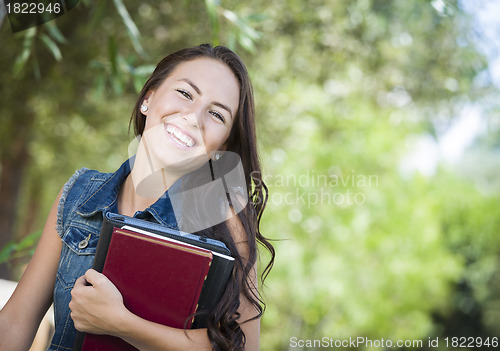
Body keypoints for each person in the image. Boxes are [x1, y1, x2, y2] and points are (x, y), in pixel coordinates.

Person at [0, 44, 275, 351]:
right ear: (148, 98)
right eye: (185, 93)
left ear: (221, 147)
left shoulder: (225, 223)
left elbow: (242, 347)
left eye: (216, 114)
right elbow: (15, 322)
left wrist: (122, 324)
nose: (194, 117)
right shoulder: (79, 194)